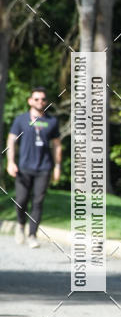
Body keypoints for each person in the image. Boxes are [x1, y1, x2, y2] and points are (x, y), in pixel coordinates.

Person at [6, 87, 62, 248]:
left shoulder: (52, 121)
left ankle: (32, 235)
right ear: (30, 101)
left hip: (44, 168)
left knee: (38, 202)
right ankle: (20, 224)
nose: (40, 102)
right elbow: (11, 140)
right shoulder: (21, 120)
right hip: (24, 167)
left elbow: (57, 145)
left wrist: (57, 166)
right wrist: (11, 161)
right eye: (36, 99)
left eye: (43, 99)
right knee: (21, 200)